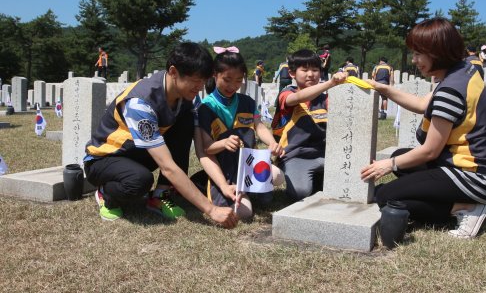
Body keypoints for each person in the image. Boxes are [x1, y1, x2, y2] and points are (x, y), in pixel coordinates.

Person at [361, 18, 486, 239]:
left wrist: (388, 164)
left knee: (386, 196)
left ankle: (463, 208)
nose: (414, 60)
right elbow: (423, 104)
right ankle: (454, 200)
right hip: (473, 167)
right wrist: (383, 89)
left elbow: (430, 151)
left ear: (438, 52)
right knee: (402, 158)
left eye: (419, 54)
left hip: (472, 176)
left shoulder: (451, 91)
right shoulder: (462, 71)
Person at [83, 43, 238, 228]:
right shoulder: (140, 102)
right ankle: (106, 193)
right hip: (105, 159)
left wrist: (223, 184)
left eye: (203, 81)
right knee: (139, 180)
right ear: (173, 72)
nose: (200, 87)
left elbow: (201, 151)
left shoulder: (186, 98)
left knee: (185, 121)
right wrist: (211, 210)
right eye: (195, 80)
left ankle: (160, 196)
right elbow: (168, 167)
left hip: (138, 152)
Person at [194, 47, 285, 219]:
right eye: (227, 80)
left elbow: (259, 126)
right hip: (225, 171)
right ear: (215, 75)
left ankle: (247, 190)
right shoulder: (205, 108)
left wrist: (271, 142)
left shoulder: (247, 102)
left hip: (248, 165)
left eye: (238, 81)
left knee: (278, 175)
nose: (232, 86)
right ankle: (214, 186)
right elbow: (207, 148)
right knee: (244, 213)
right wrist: (223, 143)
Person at [271, 49, 347, 201]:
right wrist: (331, 83)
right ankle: (313, 181)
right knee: (300, 193)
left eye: (315, 69)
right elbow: (298, 97)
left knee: (349, 182)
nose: (311, 74)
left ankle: (320, 180)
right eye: (304, 70)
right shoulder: (286, 94)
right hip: (295, 156)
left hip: (324, 156)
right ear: (292, 73)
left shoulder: (325, 99)